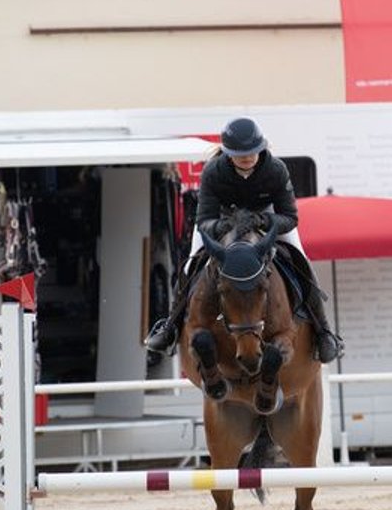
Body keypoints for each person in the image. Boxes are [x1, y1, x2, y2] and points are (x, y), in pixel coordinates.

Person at [144, 117, 342, 363]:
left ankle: (324, 332)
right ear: (228, 154)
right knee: (190, 265)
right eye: (240, 154)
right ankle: (169, 327)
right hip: (223, 218)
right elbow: (204, 219)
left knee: (300, 258)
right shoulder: (213, 171)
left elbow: (289, 217)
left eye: (252, 152)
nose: (247, 157)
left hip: (268, 217)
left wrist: (262, 221)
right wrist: (221, 225)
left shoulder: (276, 169)